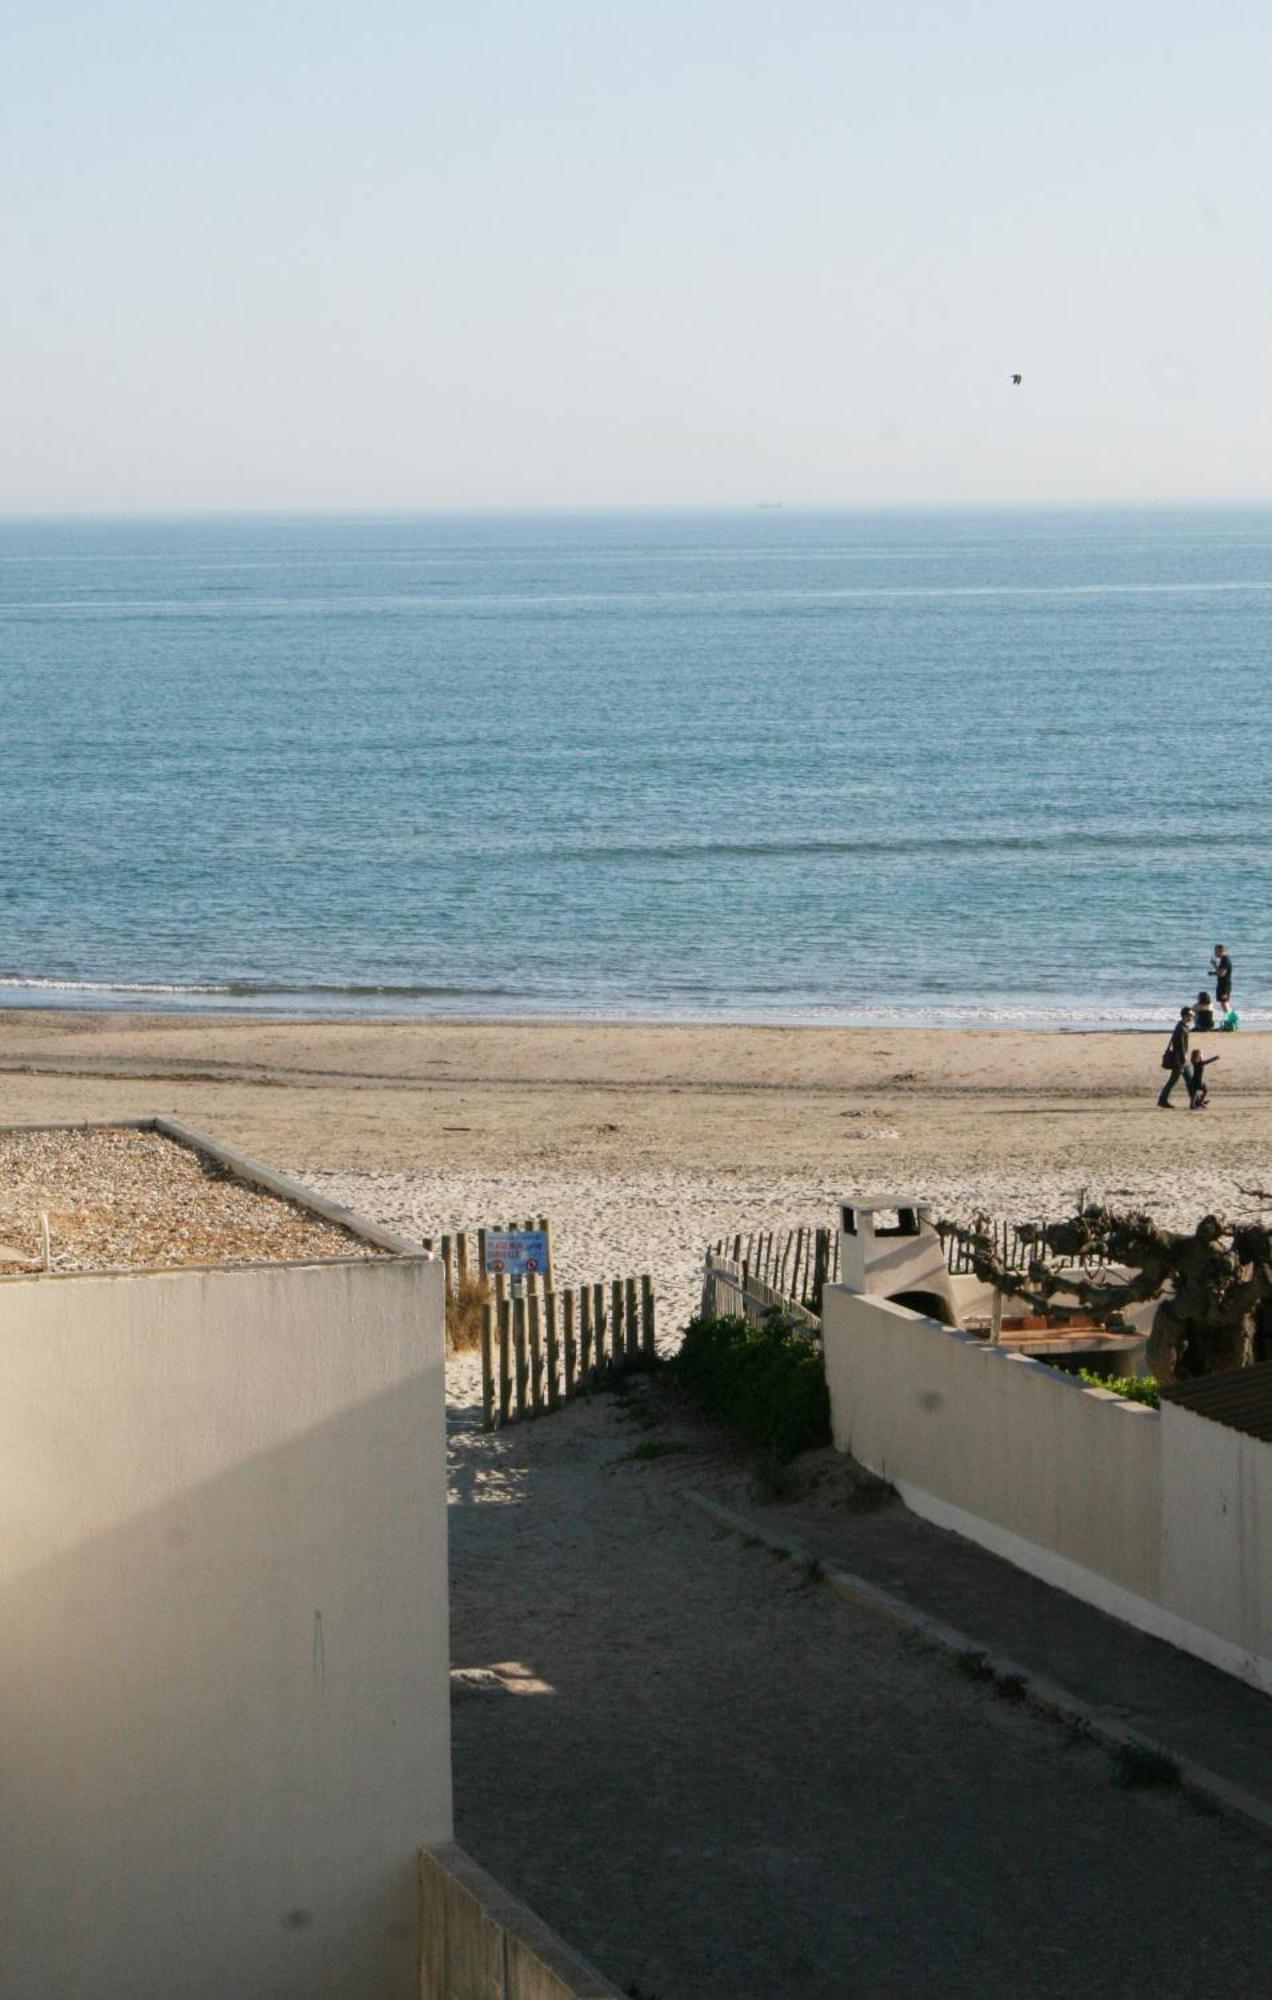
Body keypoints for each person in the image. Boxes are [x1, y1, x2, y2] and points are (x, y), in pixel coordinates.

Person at [1158, 1006, 1193, 1108]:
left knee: (1190, 1080)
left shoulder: (1183, 1026)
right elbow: (1179, 1044)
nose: (1192, 1017)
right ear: (1184, 1015)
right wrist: (1183, 1056)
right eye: (1190, 1015)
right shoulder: (1181, 1027)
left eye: (1192, 1015)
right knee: (1174, 1080)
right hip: (1180, 1059)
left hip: (1182, 1058)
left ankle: (1195, 1100)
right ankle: (1162, 1100)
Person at [1210, 944, 1233, 1011]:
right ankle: (1230, 1019)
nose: (1215, 953)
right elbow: (1222, 972)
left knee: (1224, 1003)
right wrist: (1213, 973)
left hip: (1224, 984)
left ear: (1221, 951)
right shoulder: (1225, 959)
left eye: (1216, 951)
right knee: (1225, 1003)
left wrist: (1214, 965)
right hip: (1224, 983)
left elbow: (1221, 974)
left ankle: (1230, 1019)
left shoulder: (1225, 959)